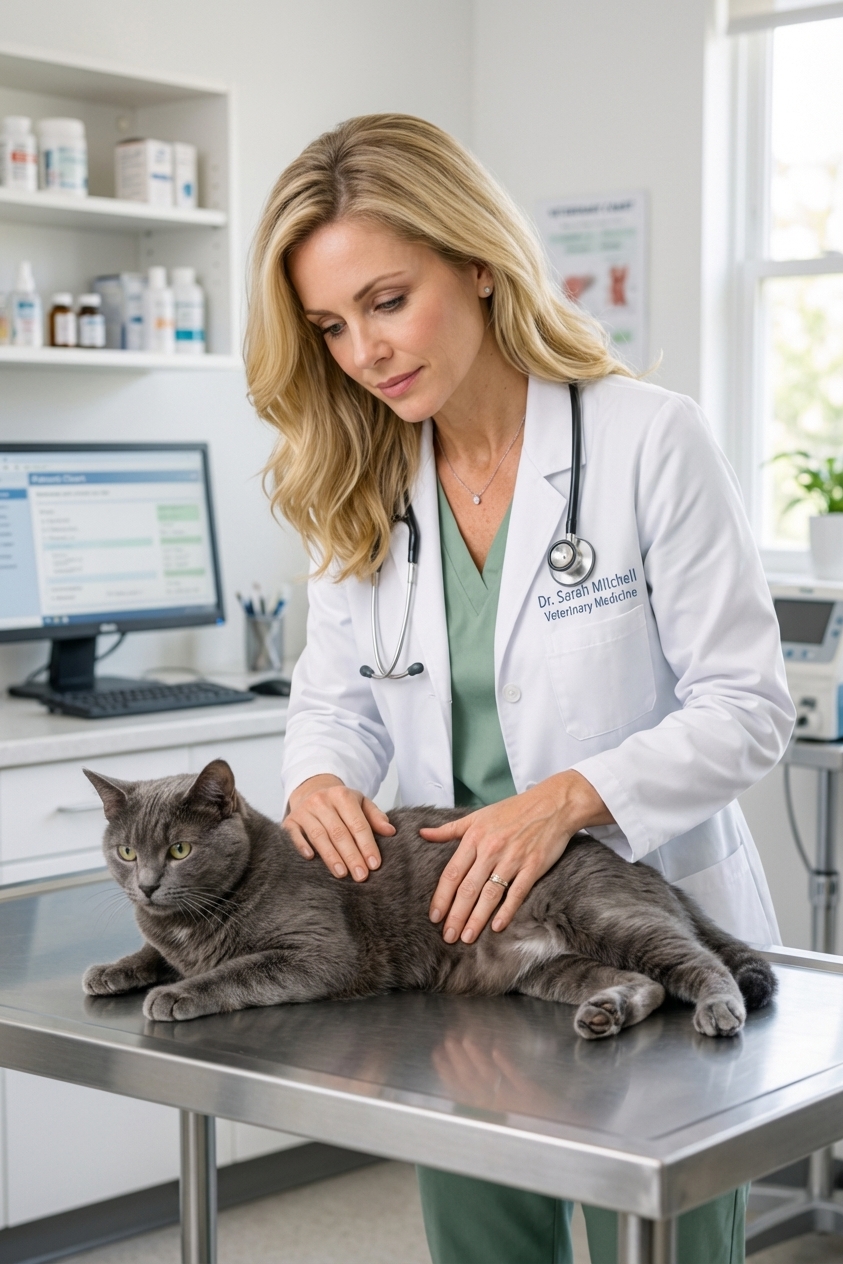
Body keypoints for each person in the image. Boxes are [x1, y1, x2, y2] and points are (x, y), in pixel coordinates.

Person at [245, 113, 794, 1264]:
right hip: (464, 950)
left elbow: (748, 705)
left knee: (669, 1247)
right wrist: (318, 781)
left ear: (478, 262)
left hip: (637, 919)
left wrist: (566, 799)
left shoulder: (649, 440)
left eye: (388, 301)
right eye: (332, 326)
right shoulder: (360, 480)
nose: (365, 352)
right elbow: (334, 697)